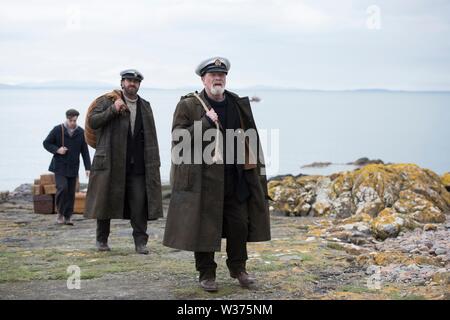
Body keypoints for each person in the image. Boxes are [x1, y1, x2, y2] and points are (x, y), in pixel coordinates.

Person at [163, 57, 271, 292]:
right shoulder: (189, 105)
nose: (218, 78)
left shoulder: (235, 102)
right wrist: (204, 122)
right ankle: (206, 274)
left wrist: (257, 174)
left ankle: (238, 268)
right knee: (204, 227)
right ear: (203, 79)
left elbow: (250, 137)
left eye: (221, 75)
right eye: (213, 75)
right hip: (204, 181)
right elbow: (178, 138)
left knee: (239, 225)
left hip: (235, 178)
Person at [84, 69, 163, 254]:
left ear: (139, 85)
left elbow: (152, 137)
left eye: (135, 81)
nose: (131, 84)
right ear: (122, 82)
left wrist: (154, 162)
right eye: (128, 80)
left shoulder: (145, 105)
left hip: (138, 166)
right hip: (111, 163)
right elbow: (93, 122)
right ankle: (101, 240)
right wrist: (113, 109)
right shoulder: (107, 101)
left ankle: (140, 243)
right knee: (104, 202)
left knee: (139, 205)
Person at [43, 109, 91, 225]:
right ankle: (60, 213)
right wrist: (57, 150)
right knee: (62, 188)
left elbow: (85, 152)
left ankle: (68, 216)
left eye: (75, 120)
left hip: (73, 168)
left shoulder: (81, 132)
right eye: (71, 120)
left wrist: (88, 168)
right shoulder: (57, 129)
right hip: (59, 166)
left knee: (70, 193)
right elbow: (46, 143)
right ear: (67, 118)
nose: (73, 123)